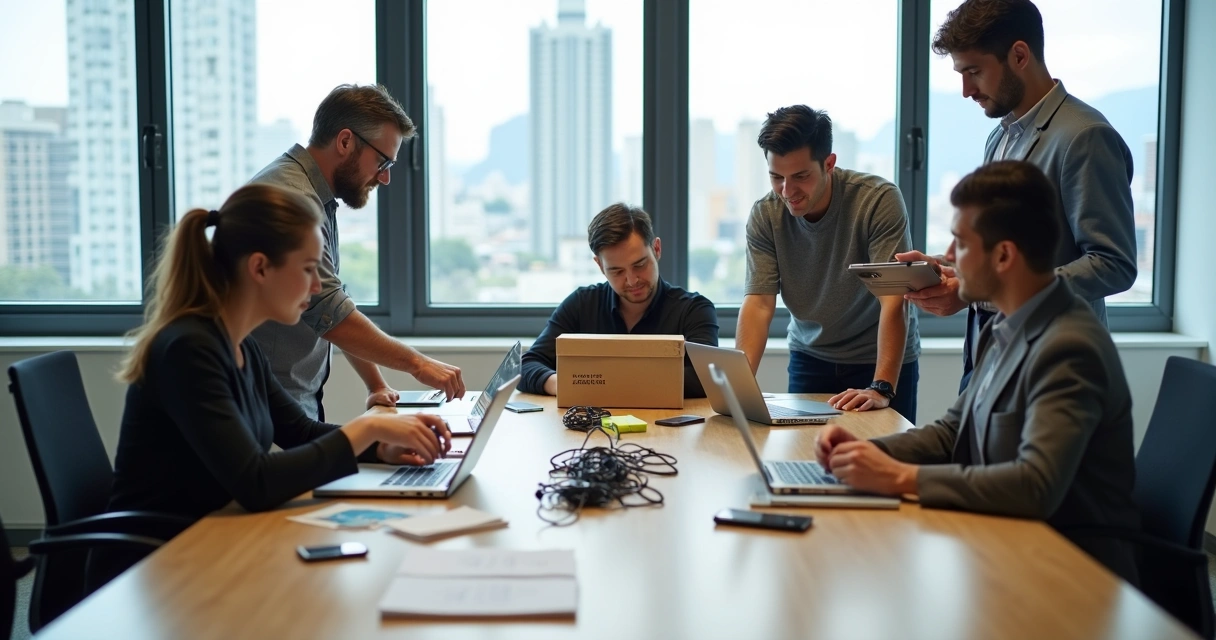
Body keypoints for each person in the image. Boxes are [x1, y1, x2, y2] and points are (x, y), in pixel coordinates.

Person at [96, 185, 453, 585]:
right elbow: (256, 481)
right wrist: (367, 427)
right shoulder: (188, 349)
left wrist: (382, 448)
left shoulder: (242, 342)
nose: (317, 286)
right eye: (307, 268)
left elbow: (299, 432)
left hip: (218, 542)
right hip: (154, 569)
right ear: (260, 267)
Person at [816, 161, 1140, 584]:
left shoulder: (1069, 346)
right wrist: (874, 451)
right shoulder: (1003, 326)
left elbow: (1033, 486)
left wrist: (899, 477)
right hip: (1003, 547)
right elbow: (954, 433)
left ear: (1004, 255)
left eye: (961, 244)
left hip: (1071, 575)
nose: (948, 258)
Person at [899, 0, 1137, 392]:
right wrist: (945, 267)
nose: (965, 90)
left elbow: (1113, 264)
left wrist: (983, 290)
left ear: (1020, 55)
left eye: (974, 71)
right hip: (988, 360)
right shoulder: (1000, 136)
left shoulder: (1085, 137)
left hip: (1051, 368)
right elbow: (1001, 252)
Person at [249, 83, 465, 421]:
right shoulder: (293, 199)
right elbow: (328, 310)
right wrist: (417, 364)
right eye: (383, 161)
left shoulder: (314, 195)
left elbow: (331, 301)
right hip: (266, 410)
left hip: (289, 403)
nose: (386, 177)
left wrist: (375, 384)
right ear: (346, 141)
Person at [735, 105, 921, 422]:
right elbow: (759, 304)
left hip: (878, 357)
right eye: (776, 177)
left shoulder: (877, 200)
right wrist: (737, 390)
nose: (787, 191)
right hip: (811, 356)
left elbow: (893, 301)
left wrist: (881, 387)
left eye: (800, 177)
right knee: (806, 458)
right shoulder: (765, 215)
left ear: (829, 164)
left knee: (884, 461)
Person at [520, 203, 719, 398]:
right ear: (599, 266)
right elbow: (525, 366)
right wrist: (562, 385)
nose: (632, 280)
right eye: (617, 271)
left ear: (656, 249)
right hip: (593, 427)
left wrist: (602, 381)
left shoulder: (694, 310)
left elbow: (706, 378)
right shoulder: (581, 304)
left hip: (669, 427)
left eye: (640, 265)